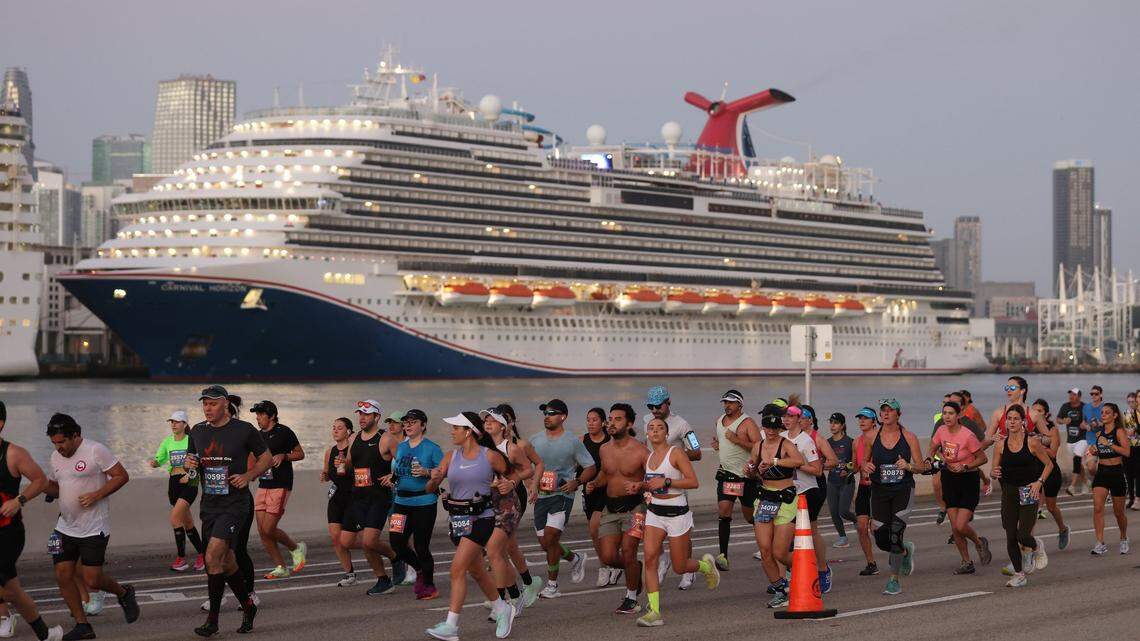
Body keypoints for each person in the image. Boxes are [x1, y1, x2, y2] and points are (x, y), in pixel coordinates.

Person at [184, 385, 271, 636]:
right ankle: (248, 605)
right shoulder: (198, 431)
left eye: (212, 404)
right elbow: (192, 467)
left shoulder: (243, 430)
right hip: (210, 505)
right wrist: (190, 464)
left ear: (224, 404)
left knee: (212, 557)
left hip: (236, 505)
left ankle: (212, 620)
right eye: (204, 404)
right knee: (227, 560)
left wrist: (249, 475)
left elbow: (265, 457)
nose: (207, 408)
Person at [43, 413, 138, 641]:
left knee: (92, 580)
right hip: (65, 526)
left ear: (75, 436)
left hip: (94, 527)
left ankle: (124, 593)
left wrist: (97, 494)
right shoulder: (55, 458)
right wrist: (41, 487)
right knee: (62, 574)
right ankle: (82, 625)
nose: (59, 448)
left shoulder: (96, 450)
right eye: (54, 443)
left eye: (62, 442)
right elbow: (59, 488)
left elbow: (121, 476)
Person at [424, 412, 514, 641]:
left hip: (481, 519)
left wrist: (507, 484)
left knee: (457, 569)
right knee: (476, 570)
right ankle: (502, 608)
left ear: (468, 431)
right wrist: (434, 479)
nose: (451, 431)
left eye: (455, 428)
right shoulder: (449, 457)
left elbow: (514, 475)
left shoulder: (490, 456)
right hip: (458, 521)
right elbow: (429, 487)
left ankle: (451, 625)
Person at [633, 417, 719, 627]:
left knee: (680, 567)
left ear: (666, 433)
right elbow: (652, 483)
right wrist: (639, 486)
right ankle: (654, 612)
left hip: (677, 513)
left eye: (659, 428)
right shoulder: (649, 456)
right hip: (655, 512)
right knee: (650, 559)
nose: (654, 431)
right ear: (647, 433)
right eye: (651, 428)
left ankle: (706, 566)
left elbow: (693, 481)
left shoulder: (676, 453)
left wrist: (668, 481)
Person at [0, 401, 64, 641]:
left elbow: (39, 480)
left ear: (0, 423)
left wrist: (19, 499)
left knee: (10, 588)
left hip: (8, 533)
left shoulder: (14, 454)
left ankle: (45, 634)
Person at [529, 399, 595, 598]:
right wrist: (530, 485)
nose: (547, 417)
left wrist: (577, 482)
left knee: (550, 538)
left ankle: (552, 585)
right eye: (545, 413)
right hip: (541, 497)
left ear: (562, 416)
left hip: (563, 495)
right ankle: (575, 558)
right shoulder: (534, 440)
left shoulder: (572, 441)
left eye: (551, 413)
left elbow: (591, 467)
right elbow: (523, 467)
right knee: (545, 544)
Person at [586, 403, 649, 614]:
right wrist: (595, 482)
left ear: (629, 423)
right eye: (610, 419)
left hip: (635, 508)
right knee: (608, 557)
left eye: (617, 419)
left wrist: (641, 485)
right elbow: (606, 473)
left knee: (629, 552)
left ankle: (631, 598)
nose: (611, 423)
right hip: (610, 509)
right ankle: (634, 569)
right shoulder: (605, 449)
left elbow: (653, 478)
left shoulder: (641, 451)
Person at [341, 399, 406, 596]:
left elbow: (403, 463)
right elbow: (351, 463)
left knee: (369, 541)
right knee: (362, 542)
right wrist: (343, 464)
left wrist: (393, 477)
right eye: (360, 414)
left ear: (376, 417)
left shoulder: (385, 439)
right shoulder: (354, 438)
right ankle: (383, 579)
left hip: (379, 497)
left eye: (366, 414)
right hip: (358, 496)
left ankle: (395, 557)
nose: (361, 418)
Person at [481, 406, 540, 613]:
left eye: (492, 420)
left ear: (503, 426)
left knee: (498, 550)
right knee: (504, 550)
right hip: (489, 502)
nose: (487, 422)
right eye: (485, 420)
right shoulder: (481, 446)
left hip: (510, 500)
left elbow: (528, 470)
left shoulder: (511, 448)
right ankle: (522, 588)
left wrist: (513, 483)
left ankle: (506, 599)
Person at [864, 398, 923, 596]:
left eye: (890, 410)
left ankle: (894, 580)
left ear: (898, 414)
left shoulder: (909, 437)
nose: (886, 414)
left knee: (896, 532)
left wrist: (908, 466)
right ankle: (905, 551)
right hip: (880, 491)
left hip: (903, 490)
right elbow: (864, 462)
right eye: (883, 411)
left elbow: (921, 466)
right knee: (881, 539)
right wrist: (866, 466)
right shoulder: (872, 436)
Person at [990, 405, 1054, 586]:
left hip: (1029, 490)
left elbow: (1049, 465)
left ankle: (1036, 546)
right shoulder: (1000, 444)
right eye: (1008, 419)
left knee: (1023, 534)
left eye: (1015, 418)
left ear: (1023, 422)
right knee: (1011, 535)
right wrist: (994, 473)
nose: (1011, 422)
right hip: (1009, 491)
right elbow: (993, 472)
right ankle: (1019, 574)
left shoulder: (1032, 442)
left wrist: (1039, 482)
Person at [747, 412, 806, 608]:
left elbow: (798, 461)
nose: (771, 431)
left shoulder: (786, 444)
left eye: (775, 428)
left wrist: (774, 461)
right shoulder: (758, 446)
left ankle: (805, 570)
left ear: (780, 428)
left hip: (786, 498)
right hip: (764, 498)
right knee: (765, 550)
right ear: (763, 428)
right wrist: (749, 470)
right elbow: (751, 468)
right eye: (767, 427)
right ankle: (780, 590)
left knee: (779, 552)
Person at [386, 409, 444, 600]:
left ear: (423, 425)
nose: (408, 425)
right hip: (401, 502)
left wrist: (427, 472)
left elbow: (443, 472)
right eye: (406, 422)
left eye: (413, 422)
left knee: (421, 546)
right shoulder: (401, 447)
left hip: (424, 503)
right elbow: (399, 470)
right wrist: (393, 478)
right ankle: (419, 569)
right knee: (396, 542)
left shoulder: (432, 448)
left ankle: (429, 585)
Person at [930, 401, 991, 574]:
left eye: (950, 413)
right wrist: (934, 457)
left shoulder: (968, 435)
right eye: (944, 413)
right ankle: (966, 562)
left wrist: (965, 466)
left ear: (958, 416)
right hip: (949, 480)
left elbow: (982, 458)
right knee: (954, 527)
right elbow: (932, 447)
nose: (947, 416)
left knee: (961, 525)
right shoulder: (941, 431)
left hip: (967, 480)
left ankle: (979, 543)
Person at [249, 401, 307, 580]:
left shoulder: (284, 432)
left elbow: (300, 453)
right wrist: (250, 474)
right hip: (263, 484)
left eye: (260, 414)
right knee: (261, 530)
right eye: (256, 415)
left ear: (272, 416)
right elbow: (253, 459)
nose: (257, 418)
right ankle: (281, 567)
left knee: (268, 528)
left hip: (281, 484)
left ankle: (296, 548)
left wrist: (284, 455)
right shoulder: (257, 436)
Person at [782, 403, 835, 592]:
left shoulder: (814, 439)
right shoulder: (784, 438)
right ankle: (790, 573)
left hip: (814, 485)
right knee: (788, 533)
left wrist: (810, 464)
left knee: (811, 530)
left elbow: (832, 461)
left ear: (809, 420)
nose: (801, 420)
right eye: (800, 416)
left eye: (804, 417)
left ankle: (822, 569)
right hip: (790, 488)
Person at [709, 389, 760, 571]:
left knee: (750, 517)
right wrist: (718, 445)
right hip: (727, 475)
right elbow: (722, 442)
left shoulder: (748, 423)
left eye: (730, 402)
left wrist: (737, 440)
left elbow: (759, 447)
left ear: (740, 404)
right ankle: (723, 556)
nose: (727, 406)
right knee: (724, 512)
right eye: (725, 402)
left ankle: (766, 542)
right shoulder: (719, 420)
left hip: (745, 478)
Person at [150, 410, 206, 572]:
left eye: (177, 422)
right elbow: (160, 460)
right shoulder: (167, 442)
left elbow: (198, 461)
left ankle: (181, 559)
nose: (173, 424)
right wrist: (155, 463)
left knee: (175, 519)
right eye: (171, 422)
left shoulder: (191, 440)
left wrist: (189, 475)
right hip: (173, 484)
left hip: (190, 484)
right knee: (187, 523)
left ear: (185, 424)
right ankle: (202, 554)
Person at [1087, 402, 1130, 555]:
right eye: (1102, 412)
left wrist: (1109, 445)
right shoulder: (1099, 433)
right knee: (1098, 508)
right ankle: (1100, 543)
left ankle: (1124, 537)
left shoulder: (1119, 432)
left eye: (1107, 413)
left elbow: (1126, 452)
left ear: (1114, 415)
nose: (1103, 415)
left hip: (1117, 473)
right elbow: (1101, 450)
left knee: (1119, 513)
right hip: (1102, 472)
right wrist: (1095, 451)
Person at [321, 417, 360, 587]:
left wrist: (347, 467)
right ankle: (349, 573)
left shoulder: (354, 450)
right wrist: (325, 475)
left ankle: (374, 546)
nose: (335, 430)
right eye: (334, 427)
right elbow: (327, 472)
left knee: (348, 540)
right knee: (336, 538)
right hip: (336, 497)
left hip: (353, 496)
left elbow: (361, 472)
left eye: (340, 428)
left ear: (349, 431)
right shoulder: (330, 452)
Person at [1029, 400, 1070, 549]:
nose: (1036, 413)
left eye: (1039, 410)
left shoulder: (1052, 429)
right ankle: (1029, 542)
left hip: (1050, 471)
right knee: (1031, 508)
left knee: (1051, 507)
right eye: (1034, 410)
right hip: (1033, 472)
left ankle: (1063, 529)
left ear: (1046, 413)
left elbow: (1052, 453)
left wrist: (1036, 447)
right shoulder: (1029, 429)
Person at [579, 407, 612, 587]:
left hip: (608, 491)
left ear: (603, 422)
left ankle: (604, 567)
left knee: (594, 528)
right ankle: (612, 562)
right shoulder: (582, 441)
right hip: (589, 491)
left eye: (594, 420)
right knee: (598, 534)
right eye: (588, 420)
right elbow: (576, 464)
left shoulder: (610, 441)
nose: (591, 423)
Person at [852, 407, 879, 575]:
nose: (862, 421)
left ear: (874, 421)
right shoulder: (856, 442)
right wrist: (846, 468)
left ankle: (901, 551)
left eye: (866, 418)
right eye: (860, 418)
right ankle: (871, 563)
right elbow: (855, 466)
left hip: (879, 488)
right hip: (863, 487)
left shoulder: (882, 439)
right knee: (862, 528)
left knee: (877, 529)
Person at [825, 413, 856, 549]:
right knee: (833, 511)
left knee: (843, 511)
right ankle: (843, 538)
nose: (832, 425)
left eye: (836, 423)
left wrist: (848, 470)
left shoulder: (850, 442)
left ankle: (857, 520)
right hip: (832, 481)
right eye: (831, 422)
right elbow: (822, 460)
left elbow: (856, 463)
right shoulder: (827, 443)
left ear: (842, 425)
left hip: (847, 482)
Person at [1058, 388, 1088, 495]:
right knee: (1078, 462)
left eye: (1074, 395)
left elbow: (1091, 421)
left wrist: (1085, 424)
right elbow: (1058, 419)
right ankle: (1085, 482)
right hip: (1070, 439)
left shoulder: (1085, 407)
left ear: (1079, 397)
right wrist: (1063, 421)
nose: (1071, 396)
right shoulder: (1065, 406)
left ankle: (1072, 486)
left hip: (1083, 438)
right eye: (1070, 394)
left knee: (1077, 459)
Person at [1123, 392, 1140, 510]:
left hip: (1138, 446)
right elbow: (1122, 428)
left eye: (1132, 401)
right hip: (1128, 447)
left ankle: (1138, 500)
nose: (1131, 404)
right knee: (1128, 473)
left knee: (1138, 474)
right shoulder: (1125, 413)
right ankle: (1131, 498)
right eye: (1128, 402)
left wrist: (1135, 431)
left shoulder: (1139, 413)